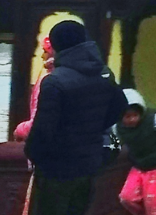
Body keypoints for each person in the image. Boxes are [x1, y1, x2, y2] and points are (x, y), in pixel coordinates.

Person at [24, 20, 126, 215]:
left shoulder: (55, 81)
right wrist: (93, 128)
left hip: (56, 166)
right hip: (88, 162)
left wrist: (33, 153)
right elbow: (120, 106)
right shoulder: (103, 73)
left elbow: (43, 129)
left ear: (57, 45)